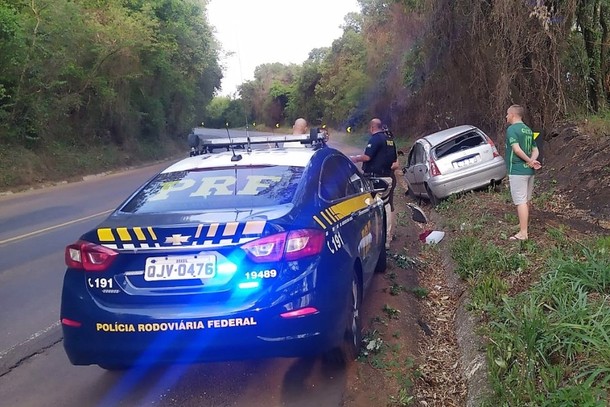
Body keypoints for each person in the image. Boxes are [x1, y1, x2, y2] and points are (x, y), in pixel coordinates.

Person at [350, 118, 399, 249]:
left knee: (369, 207)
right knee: (387, 205)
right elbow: (395, 161)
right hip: (388, 178)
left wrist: (354, 158)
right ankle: (387, 238)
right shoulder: (390, 140)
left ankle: (373, 239)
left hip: (376, 180)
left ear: (372, 128)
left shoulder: (376, 139)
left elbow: (367, 157)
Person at [505, 104, 541, 241]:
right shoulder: (528, 130)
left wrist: (529, 161)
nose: (506, 116)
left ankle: (523, 233)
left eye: (507, 114)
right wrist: (532, 161)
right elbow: (535, 150)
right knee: (526, 200)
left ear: (513, 115)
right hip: (529, 171)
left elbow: (517, 150)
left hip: (517, 170)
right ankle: (523, 224)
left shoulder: (511, 130)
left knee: (520, 201)